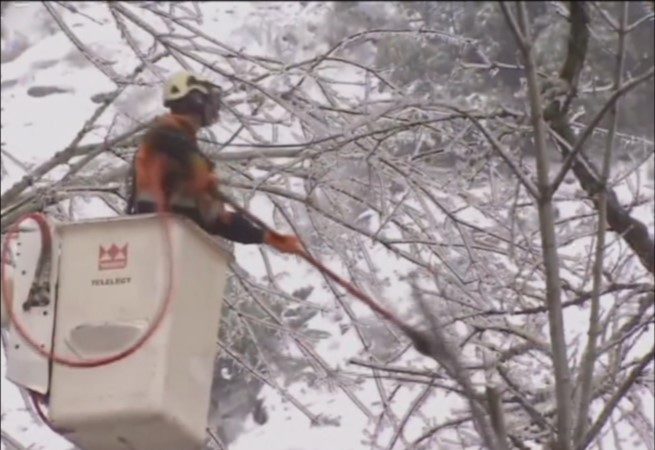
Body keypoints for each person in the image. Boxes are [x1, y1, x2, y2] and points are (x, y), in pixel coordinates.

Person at [126, 71, 303, 254]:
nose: (214, 108)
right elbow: (171, 144)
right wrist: (201, 171)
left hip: (178, 250)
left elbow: (218, 220)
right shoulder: (163, 136)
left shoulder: (184, 148)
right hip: (157, 245)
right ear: (196, 100)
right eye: (210, 101)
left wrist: (268, 238)